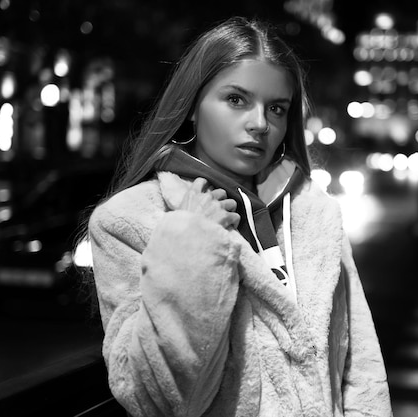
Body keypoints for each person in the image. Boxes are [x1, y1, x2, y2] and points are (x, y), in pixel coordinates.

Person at [87, 16, 392, 417]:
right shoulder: (127, 221)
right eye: (236, 99)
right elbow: (161, 400)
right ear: (192, 106)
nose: (260, 123)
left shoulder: (313, 211)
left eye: (277, 108)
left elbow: (360, 370)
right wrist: (193, 242)